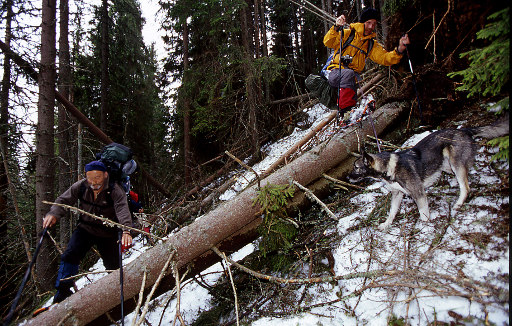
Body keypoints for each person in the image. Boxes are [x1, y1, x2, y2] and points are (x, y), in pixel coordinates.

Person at [42, 160, 133, 303]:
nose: (93, 182)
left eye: (97, 177)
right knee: (70, 255)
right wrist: (53, 213)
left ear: (105, 175)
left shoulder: (115, 189)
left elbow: (122, 209)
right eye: (90, 177)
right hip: (85, 229)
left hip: (107, 234)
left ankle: (121, 295)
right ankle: (62, 292)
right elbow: (64, 200)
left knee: (114, 266)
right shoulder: (81, 186)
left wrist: (126, 231)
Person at [323, 8, 410, 124]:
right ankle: (344, 114)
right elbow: (328, 42)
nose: (371, 26)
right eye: (368, 23)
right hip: (334, 72)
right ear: (362, 23)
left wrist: (399, 50)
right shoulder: (348, 34)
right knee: (349, 75)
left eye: (374, 24)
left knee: (357, 85)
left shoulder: (370, 44)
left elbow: (384, 58)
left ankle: (350, 118)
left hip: (350, 80)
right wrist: (336, 27)